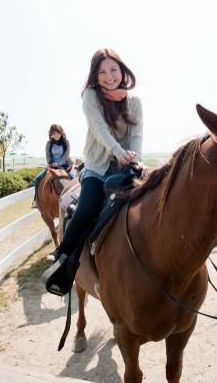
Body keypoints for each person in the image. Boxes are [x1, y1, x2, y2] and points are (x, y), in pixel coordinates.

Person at [42, 48, 144, 296]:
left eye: (113, 70)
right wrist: (119, 152)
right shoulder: (90, 96)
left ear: (122, 70)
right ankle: (63, 259)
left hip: (126, 166)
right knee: (86, 209)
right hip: (98, 168)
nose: (109, 76)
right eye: (102, 72)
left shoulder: (134, 101)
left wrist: (136, 160)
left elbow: (137, 134)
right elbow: (100, 131)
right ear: (95, 76)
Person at [31, 124, 73, 208]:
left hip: (64, 165)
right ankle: (36, 201)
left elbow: (66, 156)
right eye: (54, 134)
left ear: (61, 133)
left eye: (58, 133)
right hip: (52, 165)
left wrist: (58, 163)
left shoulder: (66, 142)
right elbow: (48, 155)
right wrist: (51, 162)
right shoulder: (49, 143)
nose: (56, 135)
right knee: (37, 179)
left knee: (74, 178)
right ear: (51, 135)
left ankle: (76, 198)